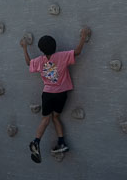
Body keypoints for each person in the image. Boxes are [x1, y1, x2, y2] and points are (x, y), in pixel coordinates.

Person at [22, 27, 91, 162]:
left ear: (41, 49)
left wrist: (24, 48)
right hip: (61, 94)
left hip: (48, 94)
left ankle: (36, 141)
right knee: (56, 117)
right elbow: (77, 52)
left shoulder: (40, 61)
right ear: (55, 46)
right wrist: (83, 36)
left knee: (45, 119)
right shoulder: (62, 56)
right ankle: (61, 142)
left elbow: (28, 63)